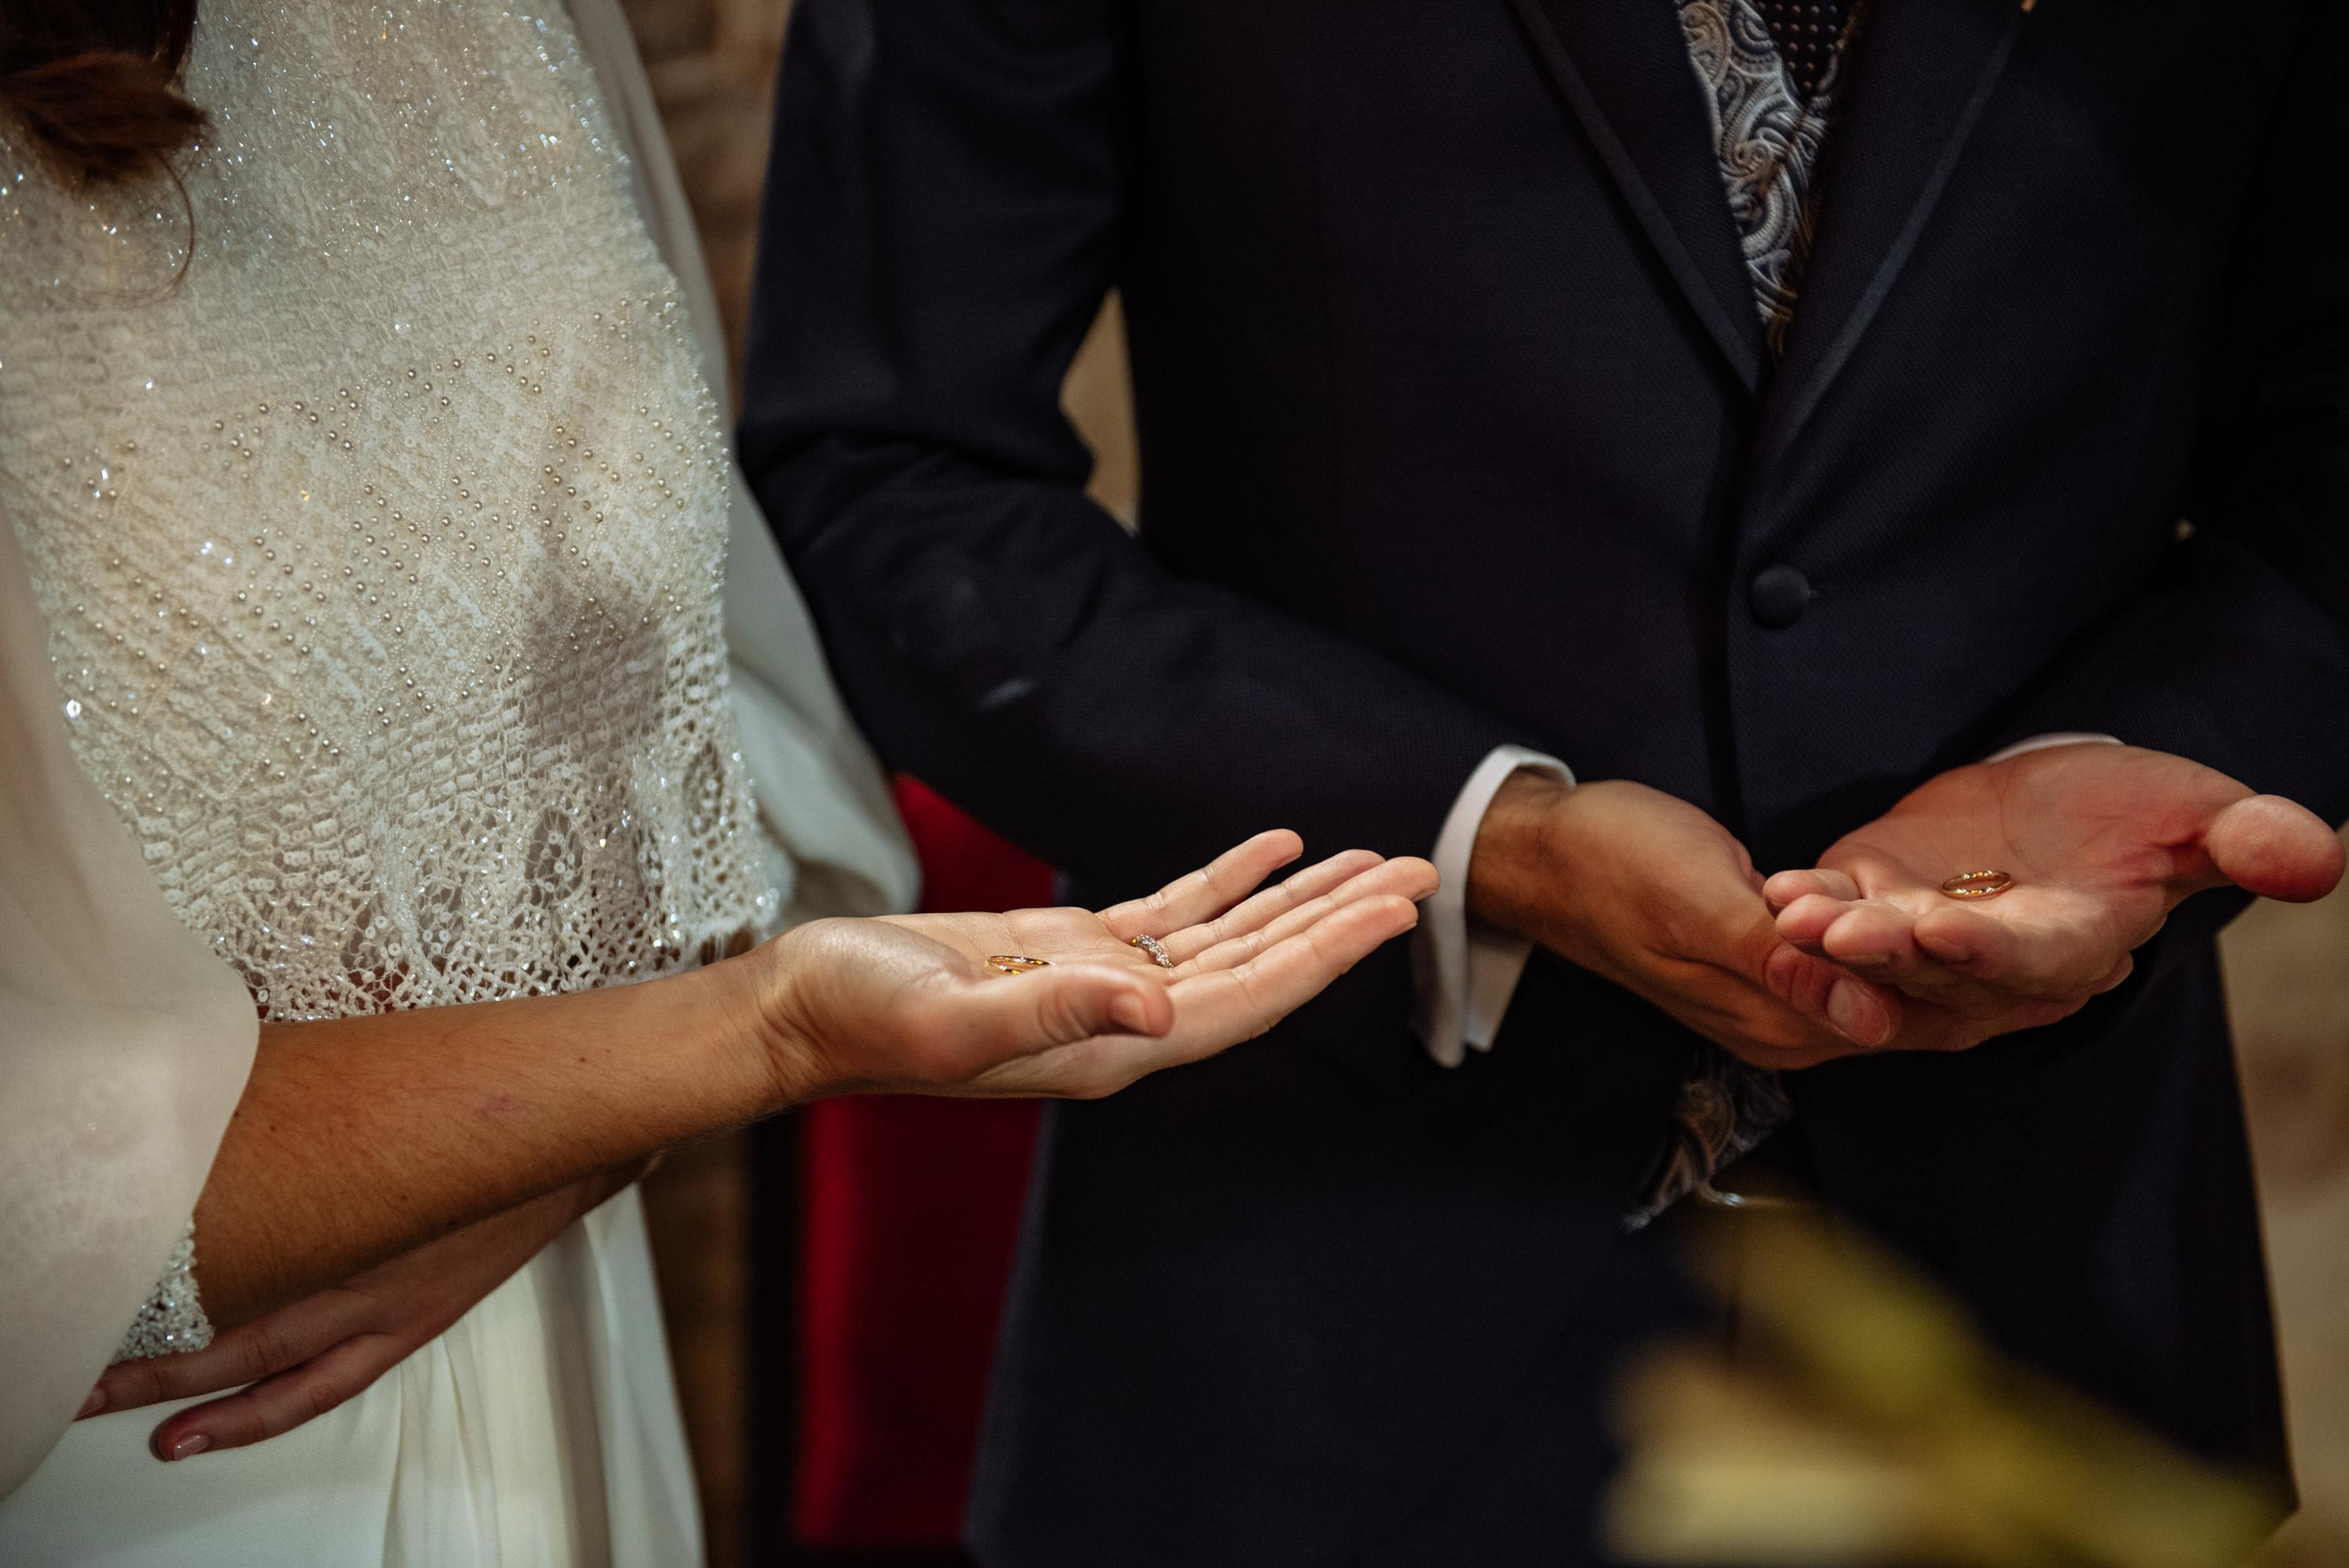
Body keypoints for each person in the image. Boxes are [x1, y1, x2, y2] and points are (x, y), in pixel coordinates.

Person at [740, 2, 2349, 1563]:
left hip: (2053, 1335)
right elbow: (890, 475)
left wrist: (2126, 767)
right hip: (1314, 1320)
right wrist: (1483, 830)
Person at [0, 5, 1435, 1563]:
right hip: (150, 1443)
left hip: (536, 1328)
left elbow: (702, 696)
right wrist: (755, 1028)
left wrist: (580, 1121)